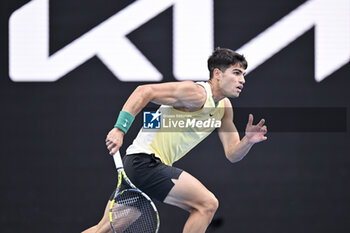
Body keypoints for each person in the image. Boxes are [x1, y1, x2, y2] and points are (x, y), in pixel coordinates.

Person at [82, 47, 267, 233]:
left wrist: (248, 141)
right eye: (236, 73)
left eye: (243, 74)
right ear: (217, 74)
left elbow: (232, 153)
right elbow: (144, 91)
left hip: (139, 167)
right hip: (145, 162)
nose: (242, 80)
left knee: (103, 230)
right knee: (207, 204)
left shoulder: (225, 107)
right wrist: (119, 129)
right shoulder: (196, 94)